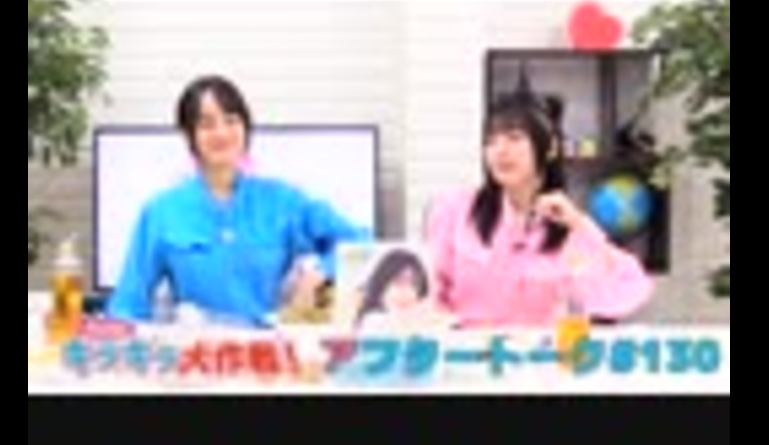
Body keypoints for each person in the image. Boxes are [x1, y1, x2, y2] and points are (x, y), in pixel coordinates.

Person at [105, 75, 371, 327]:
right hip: (194, 352)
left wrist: (323, 274)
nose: (221, 133)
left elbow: (361, 241)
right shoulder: (161, 212)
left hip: (267, 350)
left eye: (231, 120)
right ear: (189, 135)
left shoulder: (283, 201)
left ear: (246, 128)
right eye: (207, 124)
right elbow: (127, 305)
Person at [424, 94, 654, 328]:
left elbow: (631, 288)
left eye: (514, 138)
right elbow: (430, 292)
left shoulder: (569, 229)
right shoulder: (455, 210)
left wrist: (580, 225)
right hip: (470, 348)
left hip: (542, 349)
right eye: (490, 141)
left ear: (549, 147)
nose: (500, 151)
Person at [353, 247, 454, 331]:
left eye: (414, 285)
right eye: (399, 283)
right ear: (381, 285)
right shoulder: (373, 323)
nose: (407, 292)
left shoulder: (419, 327)